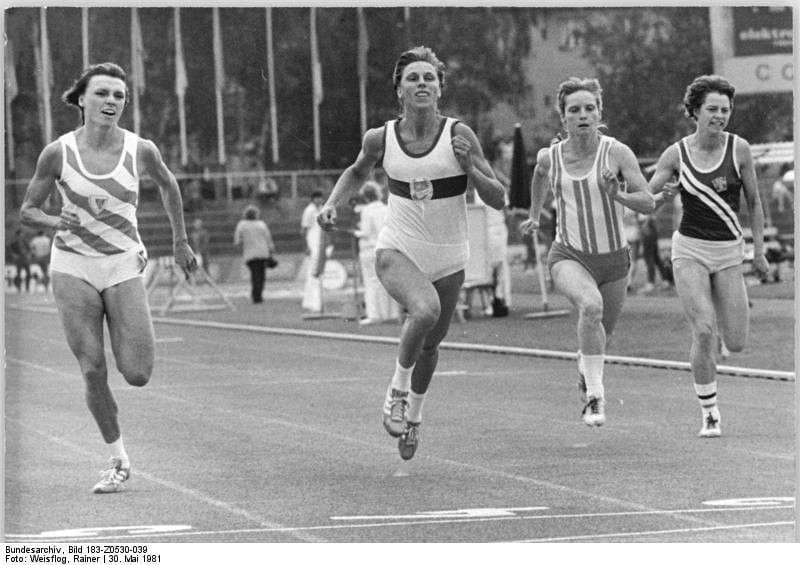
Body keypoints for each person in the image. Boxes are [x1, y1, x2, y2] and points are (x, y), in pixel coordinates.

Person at [317, 46, 504, 460]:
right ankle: (396, 393)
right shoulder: (381, 137)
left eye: (429, 78)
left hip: (449, 256)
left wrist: (471, 169)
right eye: (413, 78)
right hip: (398, 248)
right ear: (399, 91)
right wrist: (333, 203)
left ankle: (414, 417)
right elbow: (355, 172)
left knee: (431, 347)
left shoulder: (459, 135)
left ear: (439, 88)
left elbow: (499, 198)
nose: (422, 84)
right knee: (424, 310)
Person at [19, 62, 197, 494]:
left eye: (118, 95)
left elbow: (168, 186)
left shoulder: (141, 150)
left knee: (137, 372)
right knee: (93, 369)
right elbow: (27, 210)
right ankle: (118, 459)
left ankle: (118, 436)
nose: (111, 102)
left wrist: (180, 241)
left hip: (121, 262)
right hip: (72, 266)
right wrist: (55, 222)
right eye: (102, 93)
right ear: (82, 100)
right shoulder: (58, 152)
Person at [520, 77, 655, 427]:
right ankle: (594, 398)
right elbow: (538, 176)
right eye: (574, 110)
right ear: (562, 118)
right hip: (569, 255)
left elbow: (648, 202)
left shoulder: (617, 153)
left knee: (602, 336)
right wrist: (535, 216)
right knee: (590, 308)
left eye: (589, 109)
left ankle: (586, 368)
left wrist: (619, 195)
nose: (583, 115)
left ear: (599, 113)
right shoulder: (549, 157)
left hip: (614, 261)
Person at [647, 75, 769, 438]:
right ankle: (710, 412)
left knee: (736, 342)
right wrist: (658, 198)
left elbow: (755, 202)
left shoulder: (740, 149)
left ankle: (713, 338)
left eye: (725, 110)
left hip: (729, 253)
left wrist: (759, 251)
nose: (720, 116)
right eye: (712, 109)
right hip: (690, 251)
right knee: (702, 330)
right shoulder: (676, 154)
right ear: (695, 112)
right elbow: (645, 201)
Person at [353, 181, 401, 325]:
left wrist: (356, 232)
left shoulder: (367, 210)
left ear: (366, 197)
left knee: (371, 282)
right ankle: (391, 314)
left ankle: (374, 315)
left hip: (369, 250)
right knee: (387, 282)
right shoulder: (386, 208)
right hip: (386, 248)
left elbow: (366, 232)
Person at [234, 204, 276, 304]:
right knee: (261, 275)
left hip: (250, 254)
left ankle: (256, 295)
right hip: (263, 252)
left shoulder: (242, 224)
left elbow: (237, 240)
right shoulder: (261, 224)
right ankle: (258, 295)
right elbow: (268, 238)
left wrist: (239, 246)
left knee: (255, 274)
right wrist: (271, 249)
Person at [301, 189, 326, 313]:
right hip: (312, 242)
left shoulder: (323, 209)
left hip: (320, 242)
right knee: (313, 272)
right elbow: (305, 229)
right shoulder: (309, 210)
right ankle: (312, 303)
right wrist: (306, 246)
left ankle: (313, 301)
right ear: (313, 199)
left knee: (317, 272)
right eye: (317, 198)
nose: (319, 200)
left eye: (321, 198)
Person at [8, 229, 32, 293]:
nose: (22, 236)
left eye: (22, 235)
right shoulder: (13, 243)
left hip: (25, 259)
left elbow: (29, 250)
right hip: (19, 259)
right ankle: (19, 288)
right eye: (21, 235)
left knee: (29, 274)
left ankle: (27, 288)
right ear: (17, 235)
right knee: (18, 274)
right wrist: (14, 255)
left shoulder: (25, 242)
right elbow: (11, 251)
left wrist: (28, 255)